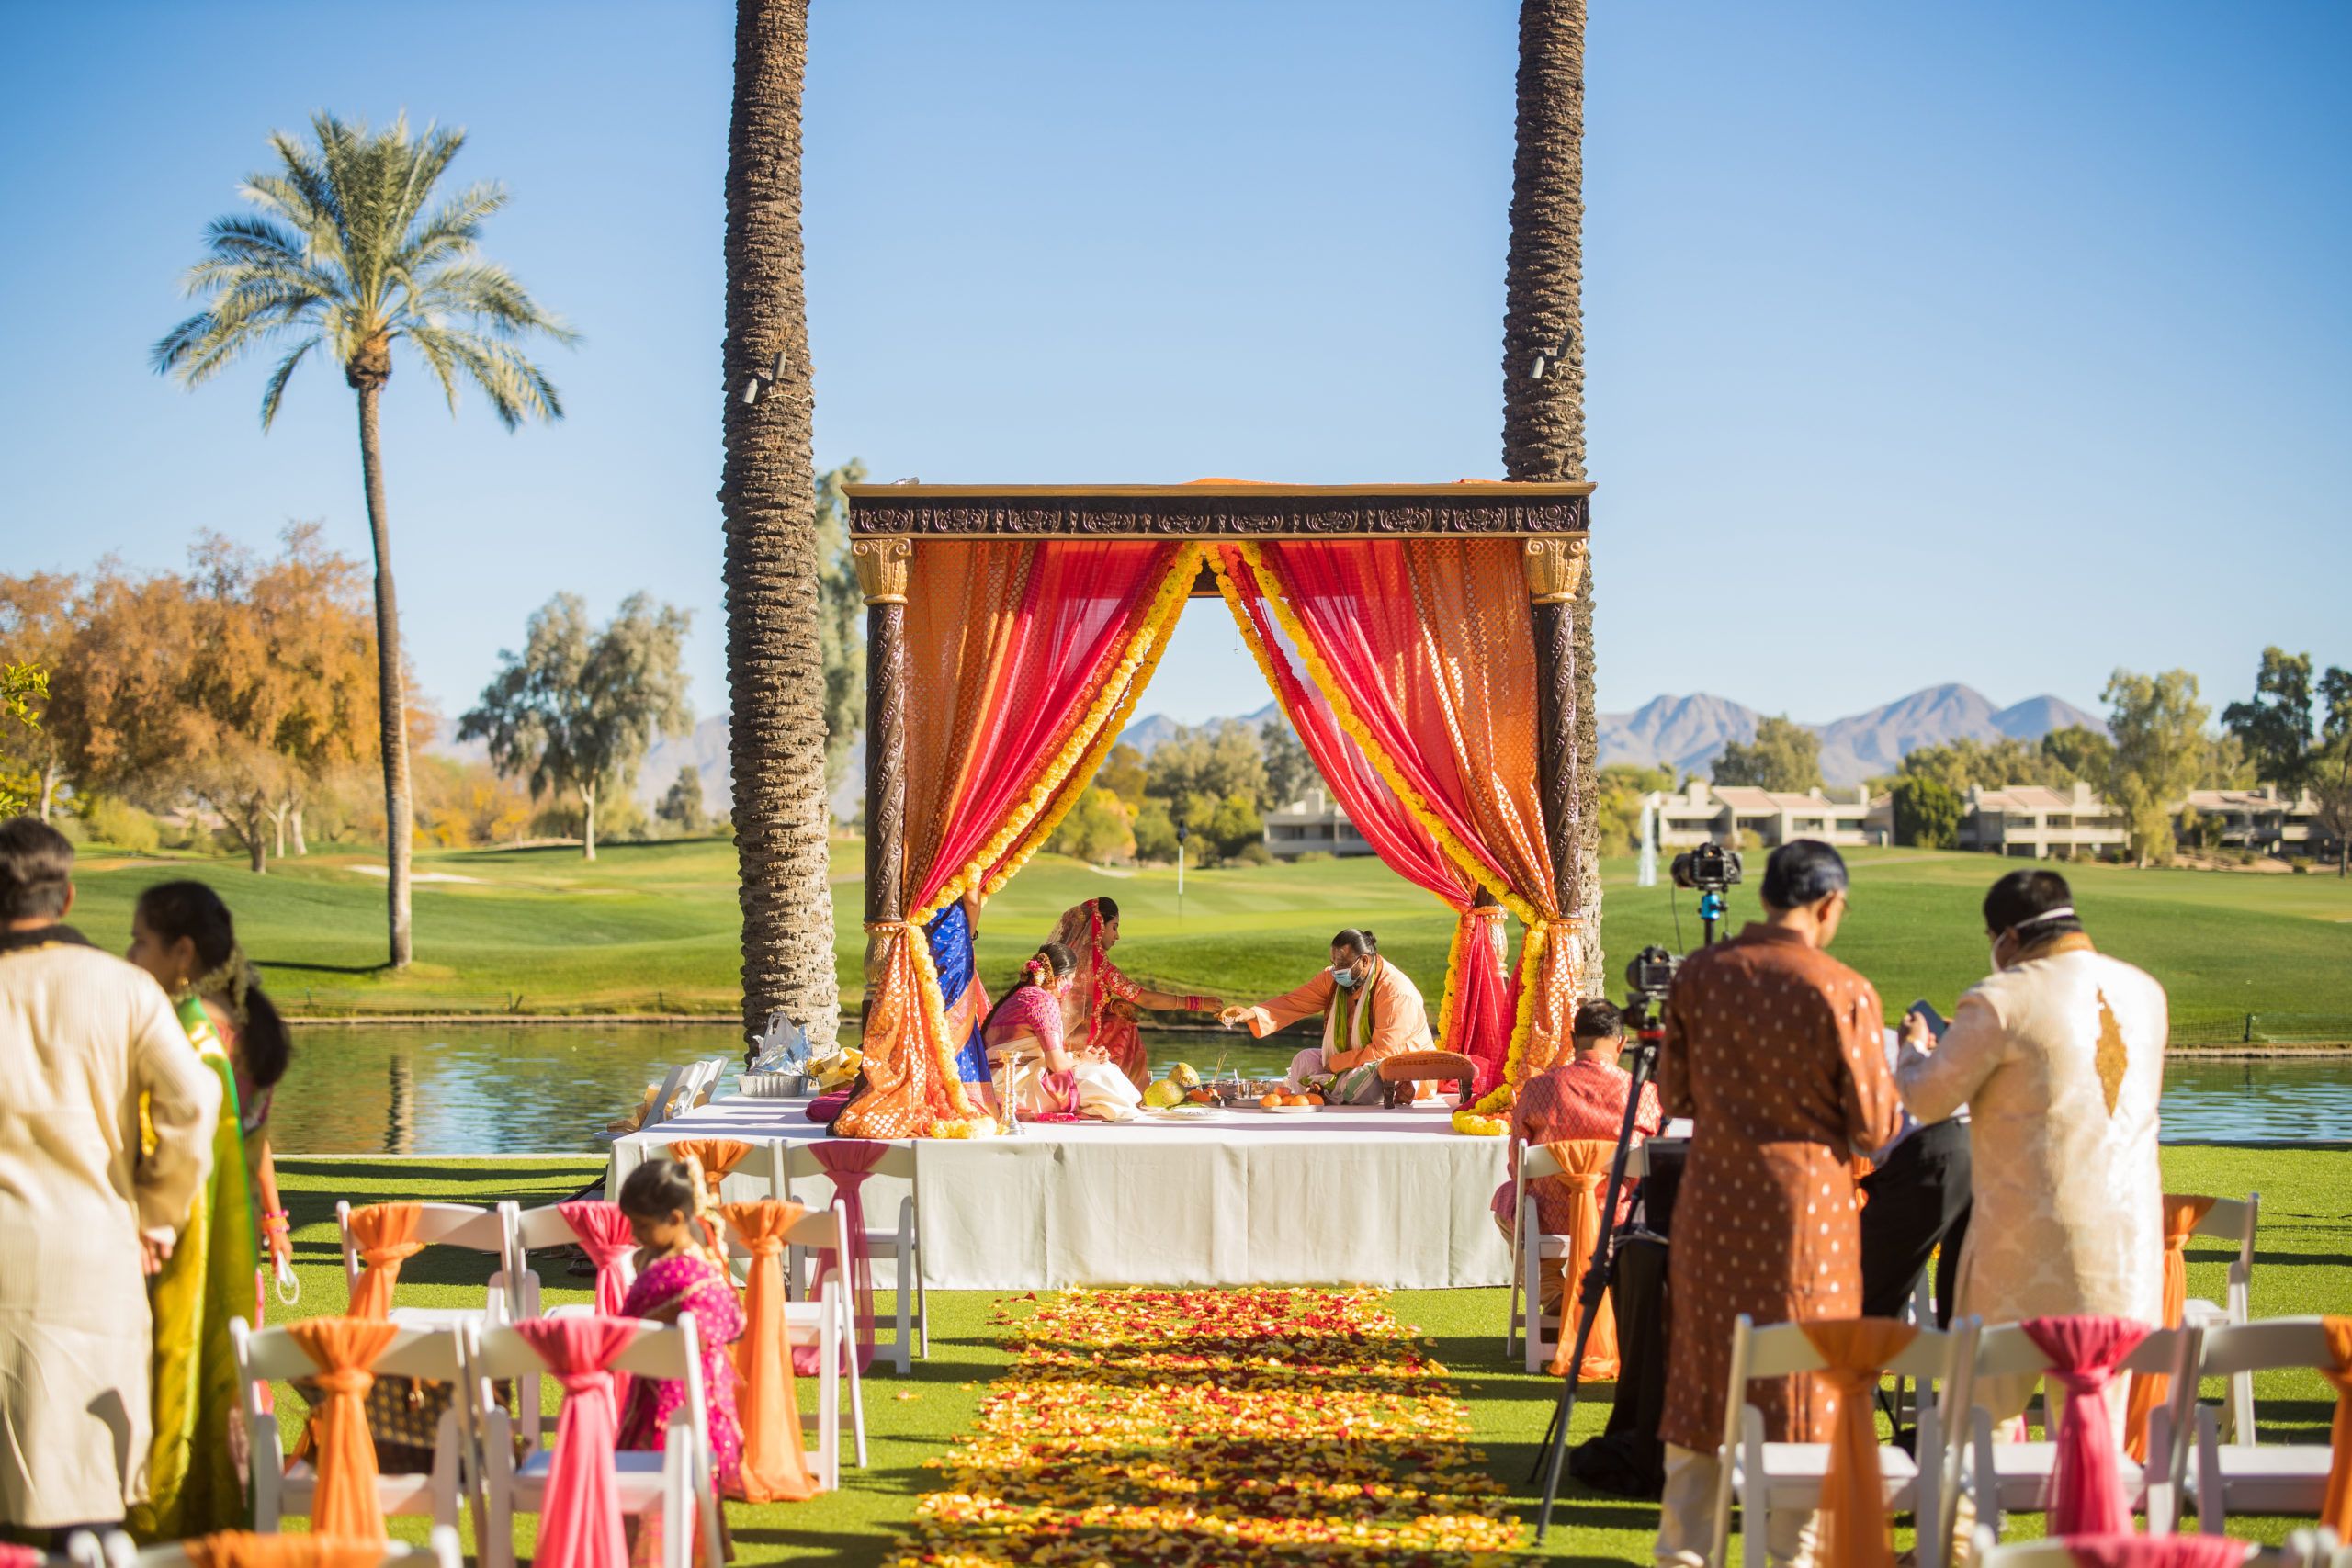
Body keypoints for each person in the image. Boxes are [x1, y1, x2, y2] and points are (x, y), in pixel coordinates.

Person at [1652, 840, 1905, 1568]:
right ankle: (1792, 1555)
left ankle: (1684, 1553)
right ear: (1827, 905)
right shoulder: (1843, 988)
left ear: (1764, 896)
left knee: (1703, 1373)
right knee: (1806, 1379)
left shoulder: (1700, 975)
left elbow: (1676, 1096)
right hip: (1808, 1218)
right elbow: (1877, 1126)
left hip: (1713, 1202)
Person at [0, 818, 222, 1542]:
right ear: (65, 894)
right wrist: (157, 1208)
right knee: (89, 1487)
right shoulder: (125, 987)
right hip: (96, 1256)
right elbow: (196, 1099)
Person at [1894, 868, 2165, 1439]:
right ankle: (2089, 1528)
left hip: (2021, 1250)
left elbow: (1927, 1098)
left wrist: (1914, 1050)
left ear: (2007, 938)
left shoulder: (2002, 999)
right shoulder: (2147, 992)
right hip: (2126, 1249)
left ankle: (1966, 1530)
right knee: (2096, 1434)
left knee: (1980, 1428)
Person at [120, 881, 290, 1539]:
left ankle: (173, 1526)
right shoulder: (248, 1022)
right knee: (228, 1391)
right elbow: (256, 1148)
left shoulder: (189, 1031)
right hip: (236, 1237)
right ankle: (229, 1524)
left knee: (179, 1383)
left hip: (185, 1237)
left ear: (182, 950)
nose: (130, 953)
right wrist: (273, 1220)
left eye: (140, 939)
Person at [1488, 999, 1665, 1309]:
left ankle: (1554, 1295)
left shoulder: (1539, 1089)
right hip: (1618, 1220)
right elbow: (1658, 1165)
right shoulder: (1645, 1095)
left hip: (1550, 1218)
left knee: (1508, 1200)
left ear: (1572, 1039)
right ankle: (1608, 1296)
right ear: (1621, 1042)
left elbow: (1518, 1167)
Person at [614, 1156, 746, 1495]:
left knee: (663, 1479)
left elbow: (626, 1325)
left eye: (641, 1226)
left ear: (674, 1219)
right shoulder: (684, 1260)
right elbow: (734, 1323)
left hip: (675, 1391)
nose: (634, 1234)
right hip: (680, 1386)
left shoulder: (678, 1271)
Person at [1218, 929, 1432, 1105]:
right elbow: (1294, 1002)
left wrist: (1336, 1064)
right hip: (1348, 1063)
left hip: (1396, 1070)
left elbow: (1384, 1051)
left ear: (1365, 961)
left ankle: (1324, 1091)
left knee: (1363, 1079)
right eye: (1334, 963)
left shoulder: (1395, 992)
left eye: (1343, 965)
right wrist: (1251, 1013)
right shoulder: (1333, 980)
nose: (1336, 970)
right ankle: (1325, 1091)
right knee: (1303, 1060)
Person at [1046, 897, 1220, 1088]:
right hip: (1082, 1049)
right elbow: (1146, 999)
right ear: (1099, 926)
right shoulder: (1099, 965)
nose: (1117, 935)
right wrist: (1197, 1003)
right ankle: (1128, 1090)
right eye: (1114, 927)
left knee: (1116, 1015)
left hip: (1048, 1044)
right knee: (1124, 1025)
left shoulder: (1057, 959)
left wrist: (1109, 1004)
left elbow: (1080, 1003)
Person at [982, 942, 1142, 1122]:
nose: (1072, 985)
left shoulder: (1018, 995)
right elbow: (1056, 1064)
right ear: (1060, 980)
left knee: (1099, 1073)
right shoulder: (1043, 1000)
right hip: (1017, 1089)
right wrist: (1083, 1060)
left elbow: (1037, 1057)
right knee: (1103, 1074)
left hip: (998, 1084)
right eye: (1072, 979)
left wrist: (1077, 1056)